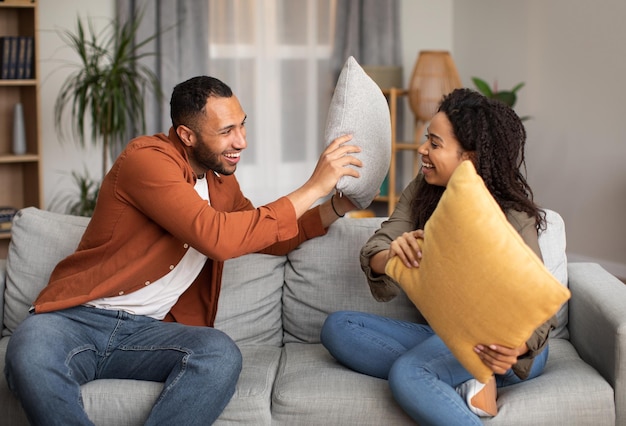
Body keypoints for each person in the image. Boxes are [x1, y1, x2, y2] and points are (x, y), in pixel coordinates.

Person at [5, 75, 362, 426]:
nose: (241, 141)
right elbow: (216, 237)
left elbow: (267, 235)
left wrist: (335, 206)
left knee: (220, 354)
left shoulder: (222, 182)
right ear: (187, 135)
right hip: (76, 319)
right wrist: (313, 186)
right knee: (28, 352)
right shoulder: (146, 160)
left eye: (242, 125)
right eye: (226, 131)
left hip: (147, 333)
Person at [320, 88, 555, 425]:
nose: (422, 150)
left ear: (468, 158)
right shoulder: (422, 191)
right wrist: (393, 258)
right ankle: (467, 377)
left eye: (434, 143)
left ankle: (456, 373)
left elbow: (540, 306)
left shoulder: (512, 216)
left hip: (500, 343)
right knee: (338, 327)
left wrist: (516, 347)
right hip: (451, 336)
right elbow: (376, 247)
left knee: (410, 373)